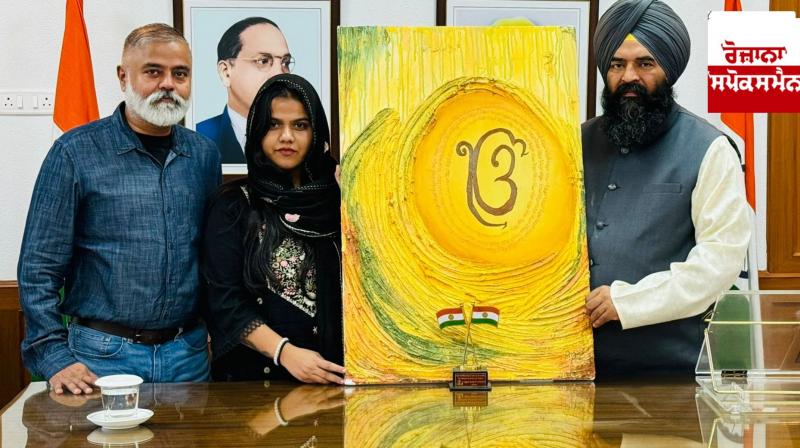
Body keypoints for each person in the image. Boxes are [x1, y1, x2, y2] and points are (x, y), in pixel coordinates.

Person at [18, 23, 222, 394]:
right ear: (123, 76)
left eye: (180, 74)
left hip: (188, 357)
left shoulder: (204, 156)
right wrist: (54, 356)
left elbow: (211, 258)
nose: (168, 84)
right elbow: (38, 268)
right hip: (100, 359)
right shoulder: (75, 152)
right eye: (153, 71)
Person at [582, 0, 751, 377]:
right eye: (616, 64)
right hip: (571, 367)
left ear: (668, 70)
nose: (629, 76)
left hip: (668, 374)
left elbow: (718, 264)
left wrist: (628, 302)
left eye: (645, 63)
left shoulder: (709, 149)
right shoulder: (576, 142)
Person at [202, 73, 344, 383]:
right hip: (255, 387)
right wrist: (285, 352)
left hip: (335, 379)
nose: (286, 136)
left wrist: (358, 204)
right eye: (273, 125)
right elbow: (223, 301)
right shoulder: (233, 205)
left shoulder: (338, 201)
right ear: (256, 131)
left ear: (317, 132)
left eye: (300, 125)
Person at [197, 17, 293, 164]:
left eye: (285, 62)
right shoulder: (199, 138)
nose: (279, 74)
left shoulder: (305, 139)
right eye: (263, 61)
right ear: (226, 72)